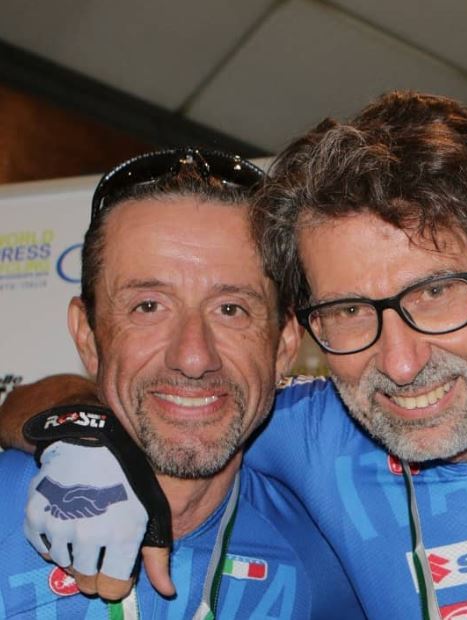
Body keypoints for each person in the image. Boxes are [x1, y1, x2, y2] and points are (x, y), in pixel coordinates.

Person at [6, 95, 467, 618]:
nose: (401, 364)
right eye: (349, 311)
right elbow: (168, 405)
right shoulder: (308, 432)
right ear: (303, 335)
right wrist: (77, 427)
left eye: (435, 293)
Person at [0, 149, 362, 618]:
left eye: (231, 309)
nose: (193, 357)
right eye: (148, 306)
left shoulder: (333, 566)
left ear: (284, 345)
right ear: (87, 336)